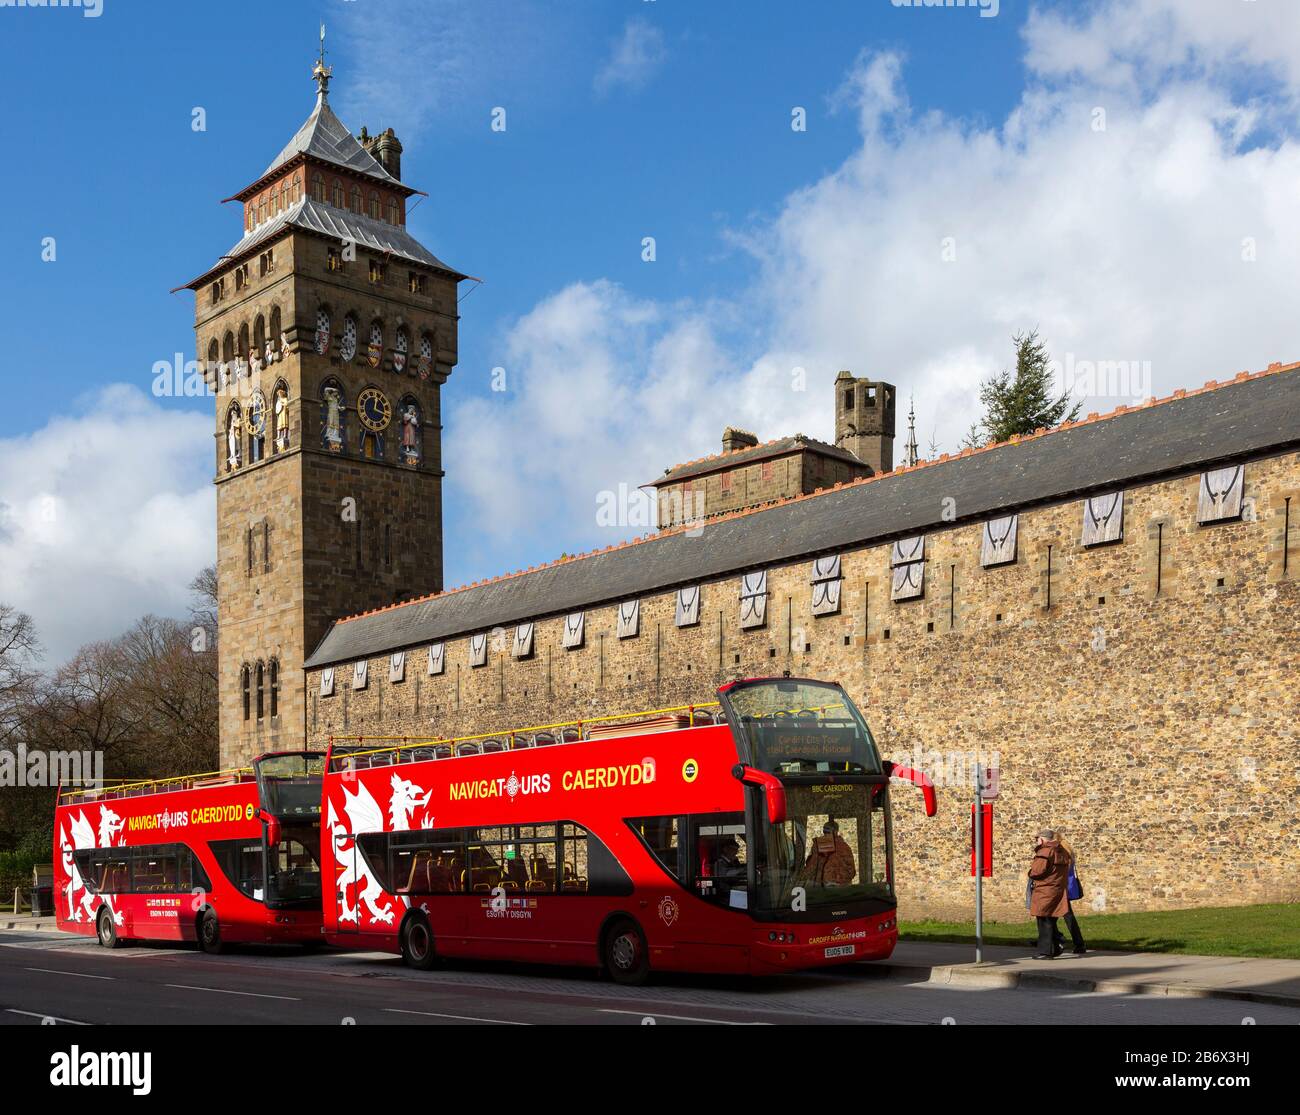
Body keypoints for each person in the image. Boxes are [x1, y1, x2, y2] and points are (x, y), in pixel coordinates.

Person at [1026, 829, 1070, 959]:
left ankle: (1045, 952)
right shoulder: (1062, 851)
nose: (1036, 841)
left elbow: (1037, 871)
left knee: (1044, 920)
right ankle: (1056, 946)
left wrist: (1030, 872)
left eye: (1037, 839)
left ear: (1043, 839)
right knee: (1051, 919)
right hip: (1057, 889)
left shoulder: (1045, 851)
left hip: (1045, 889)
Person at [1055, 834, 1087, 955]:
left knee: (1050, 917)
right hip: (1065, 888)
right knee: (1067, 917)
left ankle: (1059, 940)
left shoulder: (1062, 853)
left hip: (1061, 888)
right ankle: (1077, 943)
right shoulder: (1068, 852)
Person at [800, 821, 857, 886]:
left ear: (823, 831)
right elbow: (852, 871)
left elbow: (811, 867)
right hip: (842, 889)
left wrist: (800, 878)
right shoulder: (845, 847)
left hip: (823, 887)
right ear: (836, 831)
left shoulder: (819, 845)